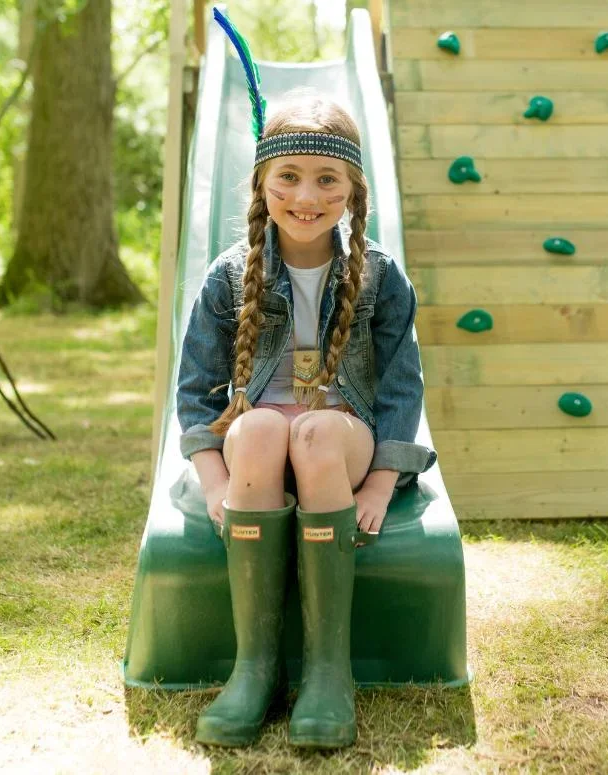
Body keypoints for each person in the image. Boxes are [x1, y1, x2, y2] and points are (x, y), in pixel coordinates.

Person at [172, 10, 436, 750]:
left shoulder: (379, 276)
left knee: (314, 429)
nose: (306, 195)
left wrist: (382, 480)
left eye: (327, 179)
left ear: (352, 190)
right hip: (258, 446)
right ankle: (253, 667)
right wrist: (216, 480)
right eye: (288, 176)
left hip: (338, 439)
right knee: (255, 423)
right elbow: (196, 391)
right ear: (262, 183)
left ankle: (327, 671)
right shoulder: (229, 279)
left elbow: (399, 390)